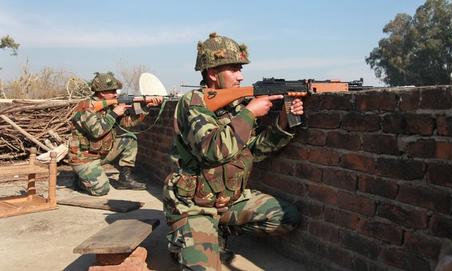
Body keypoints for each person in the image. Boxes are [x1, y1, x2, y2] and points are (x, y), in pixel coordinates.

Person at [163, 33, 304, 270]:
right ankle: (184, 240)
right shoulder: (193, 103)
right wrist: (249, 113)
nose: (241, 76)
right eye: (234, 69)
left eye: (241, 69)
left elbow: (253, 151)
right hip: (194, 205)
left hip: (229, 200)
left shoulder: (235, 105)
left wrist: (282, 124)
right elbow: (211, 150)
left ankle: (217, 230)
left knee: (285, 216)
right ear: (212, 73)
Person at [68, 72, 162, 196]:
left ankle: (124, 179)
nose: (115, 94)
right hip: (84, 157)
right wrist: (114, 114)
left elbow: (127, 123)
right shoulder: (85, 107)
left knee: (129, 138)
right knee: (101, 190)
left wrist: (146, 108)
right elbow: (97, 132)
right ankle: (81, 180)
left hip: (101, 152)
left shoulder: (110, 105)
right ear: (102, 92)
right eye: (112, 91)